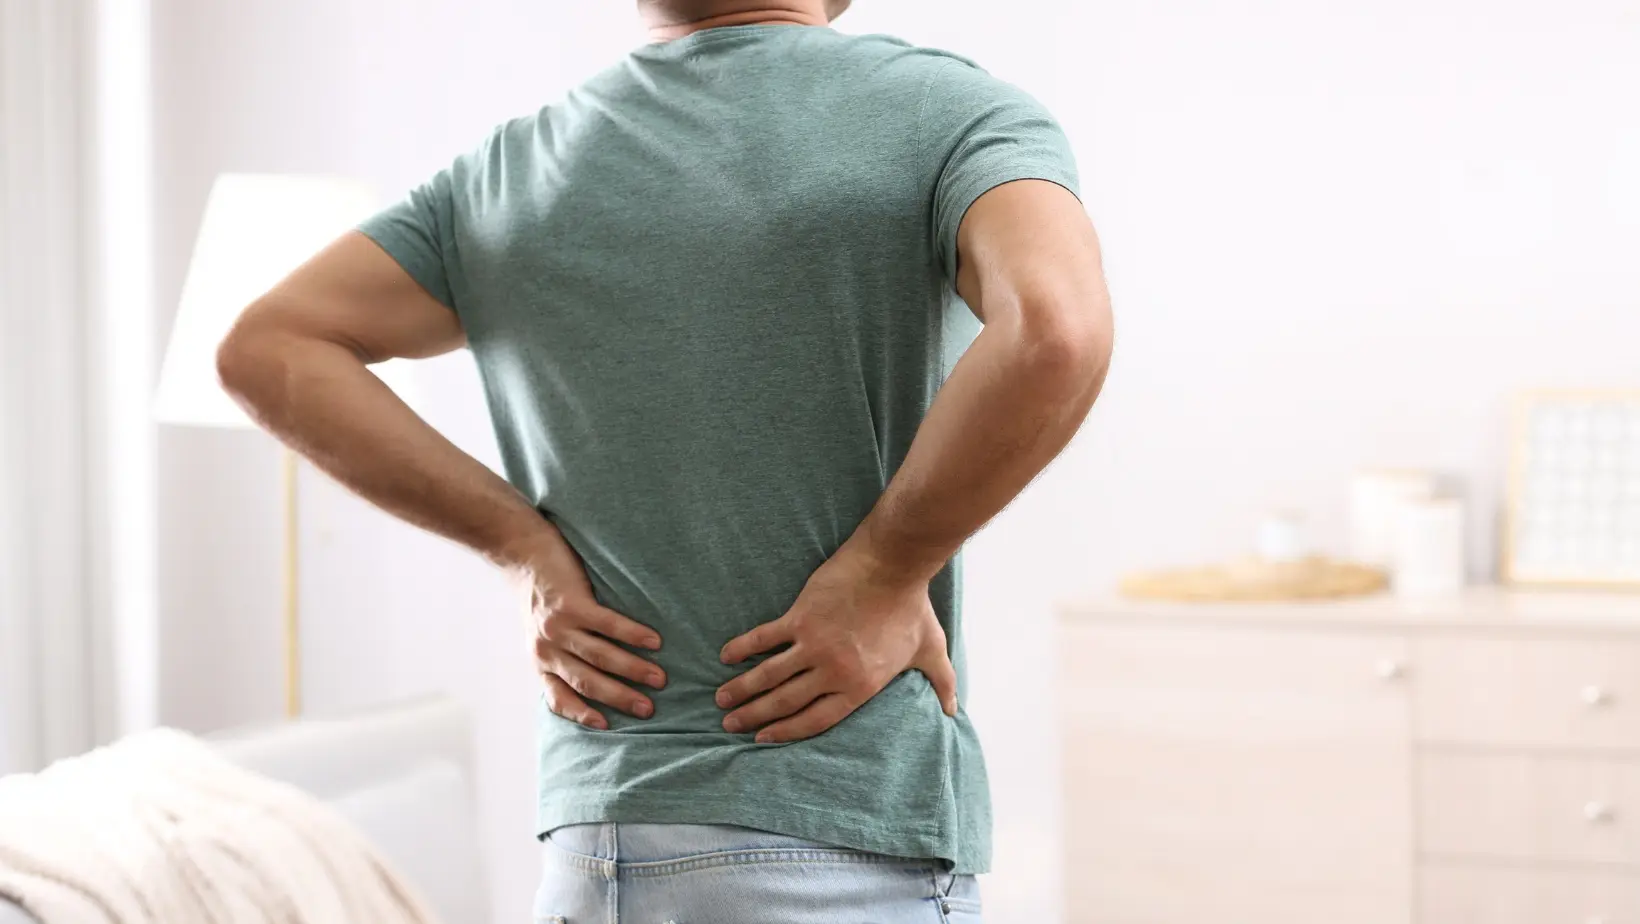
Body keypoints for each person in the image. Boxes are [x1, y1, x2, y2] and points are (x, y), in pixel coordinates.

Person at [217, 0, 1113, 919]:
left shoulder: (514, 168)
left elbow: (266, 348)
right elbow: (1058, 330)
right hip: (837, 840)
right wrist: (888, 569)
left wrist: (519, 544)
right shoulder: (949, 114)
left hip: (592, 852)